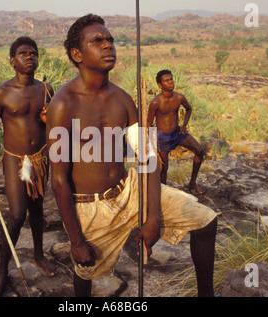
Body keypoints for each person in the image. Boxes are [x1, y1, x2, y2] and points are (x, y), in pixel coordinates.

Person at [46, 14, 218, 297]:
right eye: (97, 41)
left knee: (205, 220)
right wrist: (75, 240)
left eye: (110, 40)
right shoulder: (63, 105)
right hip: (91, 208)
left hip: (130, 189)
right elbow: (59, 180)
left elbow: (149, 159)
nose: (108, 45)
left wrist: (151, 217)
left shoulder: (123, 99)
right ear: (77, 54)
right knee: (85, 270)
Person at [0, 36, 57, 297]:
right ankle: (1, 269)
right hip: (16, 159)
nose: (30, 57)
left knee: (37, 208)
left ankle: (38, 255)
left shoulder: (46, 90)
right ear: (12, 60)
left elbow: (54, 126)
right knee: (16, 214)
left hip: (40, 157)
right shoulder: (2, 93)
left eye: (33, 53)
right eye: (23, 53)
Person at [147, 70, 206, 194]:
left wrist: (184, 125)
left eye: (171, 79)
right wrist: (152, 144)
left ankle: (192, 183)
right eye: (166, 80)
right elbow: (149, 123)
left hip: (178, 132)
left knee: (199, 150)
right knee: (164, 168)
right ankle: (164, 192)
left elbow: (189, 109)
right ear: (160, 85)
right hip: (162, 136)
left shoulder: (179, 97)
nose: (170, 82)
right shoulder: (156, 102)